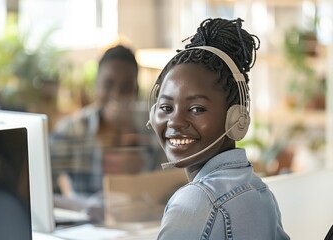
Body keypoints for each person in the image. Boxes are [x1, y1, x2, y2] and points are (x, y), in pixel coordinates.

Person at [147, 18, 290, 239]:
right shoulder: (259, 190)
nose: (175, 122)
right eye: (166, 107)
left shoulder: (195, 201)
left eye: (196, 109)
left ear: (236, 118)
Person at [50, 45, 162, 199]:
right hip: (86, 219)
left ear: (135, 92)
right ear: (96, 85)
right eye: (108, 84)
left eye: (126, 87)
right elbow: (44, 173)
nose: (116, 94)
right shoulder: (72, 129)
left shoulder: (153, 131)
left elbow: (161, 186)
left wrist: (128, 131)